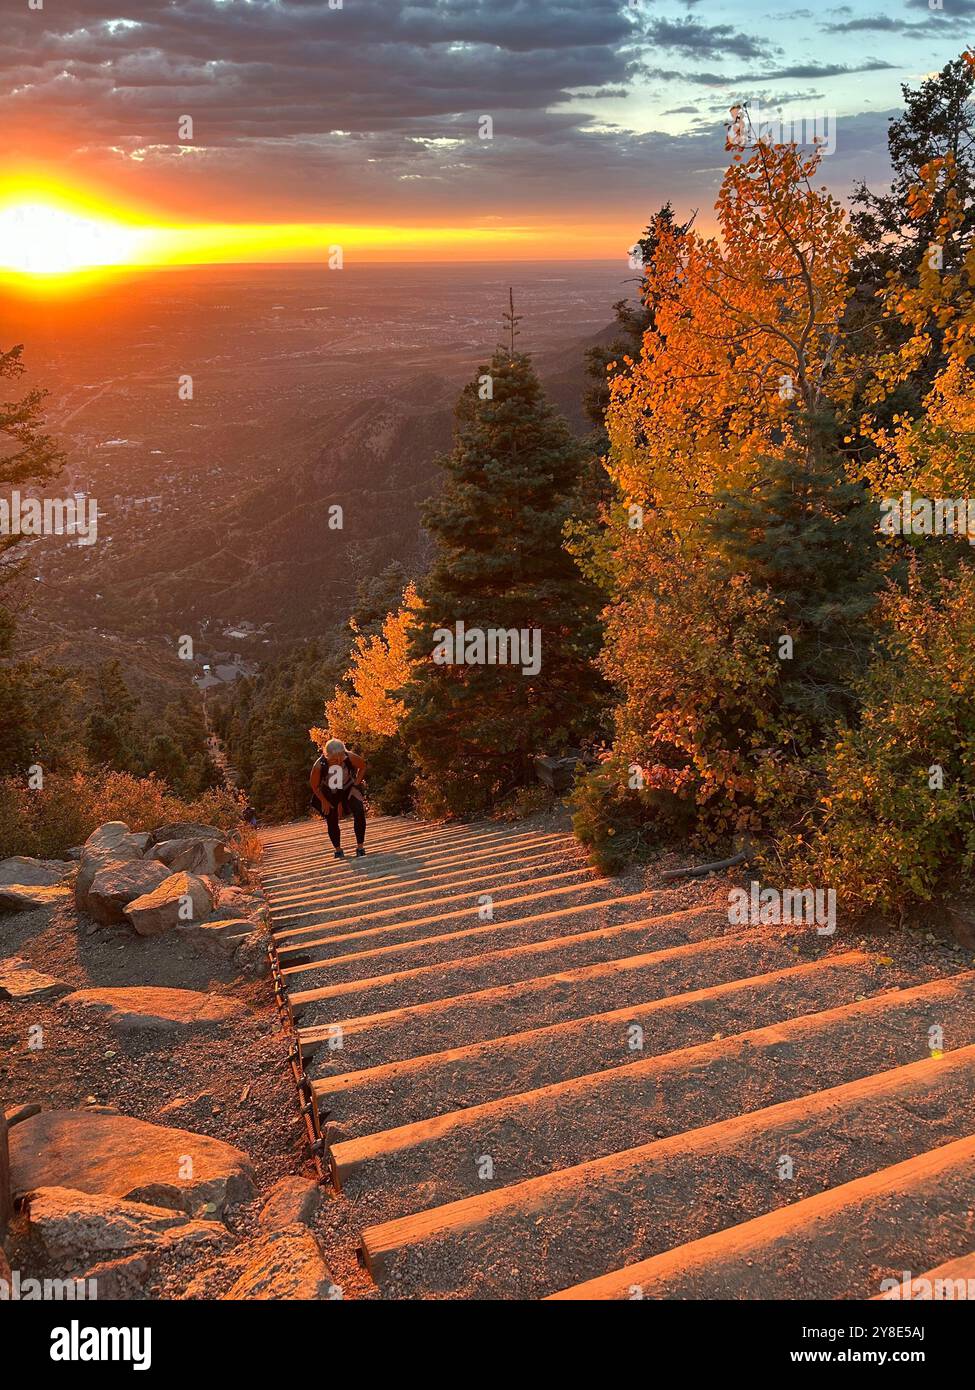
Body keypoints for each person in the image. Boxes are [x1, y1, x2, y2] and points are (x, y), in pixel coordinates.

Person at [310, 738, 367, 858]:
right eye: (334, 758)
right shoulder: (319, 765)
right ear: (327, 755)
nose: (338, 760)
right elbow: (314, 786)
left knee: (359, 810)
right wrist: (324, 802)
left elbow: (362, 767)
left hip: (347, 787)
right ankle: (338, 849)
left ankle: (360, 847)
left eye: (340, 756)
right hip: (329, 791)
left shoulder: (350, 757)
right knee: (331, 818)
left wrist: (355, 786)